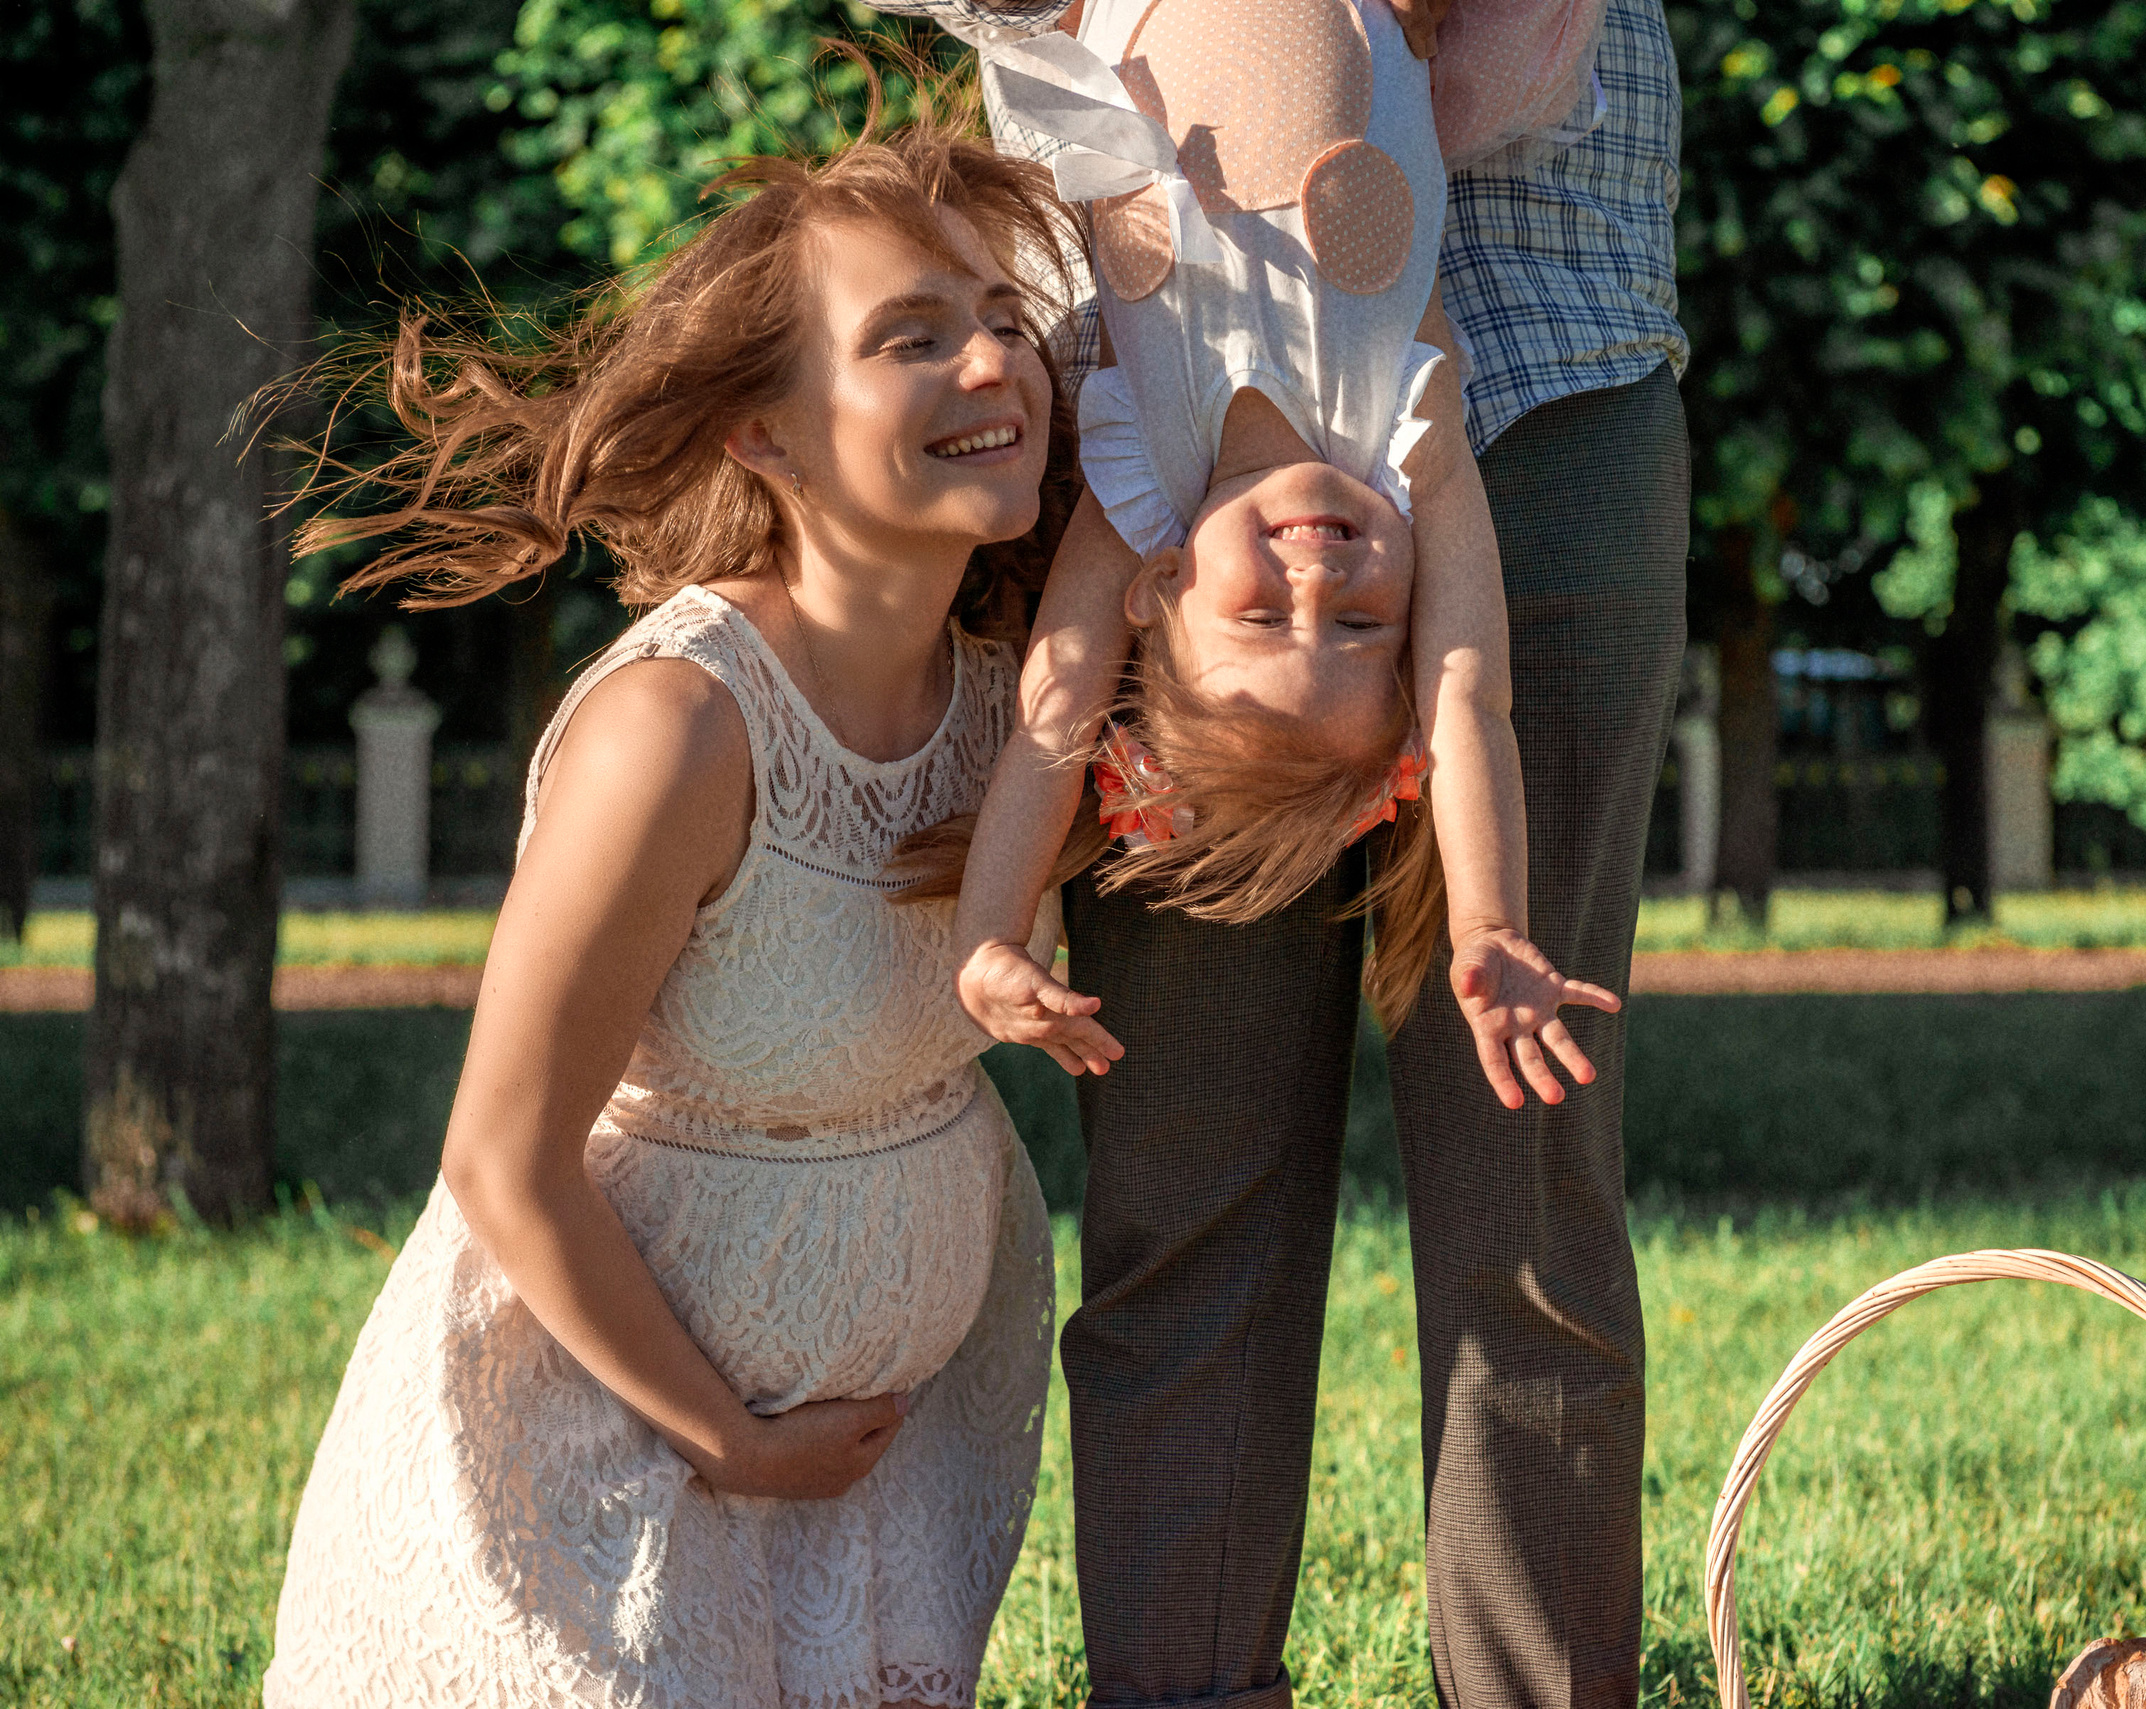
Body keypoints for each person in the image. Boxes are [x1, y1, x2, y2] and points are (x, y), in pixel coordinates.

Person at [900, 0, 1691, 1701]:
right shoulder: (1173, 536)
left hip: (1553, 344)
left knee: (1526, 1205)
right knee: (1186, 1199)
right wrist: (993, 922)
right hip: (1146, 382)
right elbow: (1062, 710)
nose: (1333, 583)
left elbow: (1456, 698)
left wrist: (1484, 917)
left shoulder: (1305, 493)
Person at [262, 105, 1079, 1709]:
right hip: (600, 1479)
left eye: (1006, 322)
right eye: (913, 338)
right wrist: (733, 1441)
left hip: (860, 1487)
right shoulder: (683, 730)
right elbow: (501, 1155)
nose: (995, 366)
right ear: (763, 433)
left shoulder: (1023, 706)